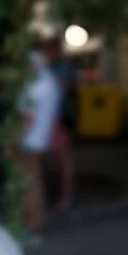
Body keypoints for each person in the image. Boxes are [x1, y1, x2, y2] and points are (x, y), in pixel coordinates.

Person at [19, 51, 61, 232]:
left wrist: (14, 140)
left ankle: (32, 222)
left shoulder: (37, 85)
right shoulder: (47, 81)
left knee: (30, 181)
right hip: (38, 137)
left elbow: (28, 118)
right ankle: (35, 220)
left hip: (30, 139)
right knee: (34, 180)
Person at [42, 38, 76, 210]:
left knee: (63, 159)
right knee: (46, 158)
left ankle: (66, 196)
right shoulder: (48, 67)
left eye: (49, 50)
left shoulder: (63, 67)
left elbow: (65, 89)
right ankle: (50, 194)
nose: (46, 54)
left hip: (59, 119)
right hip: (47, 120)